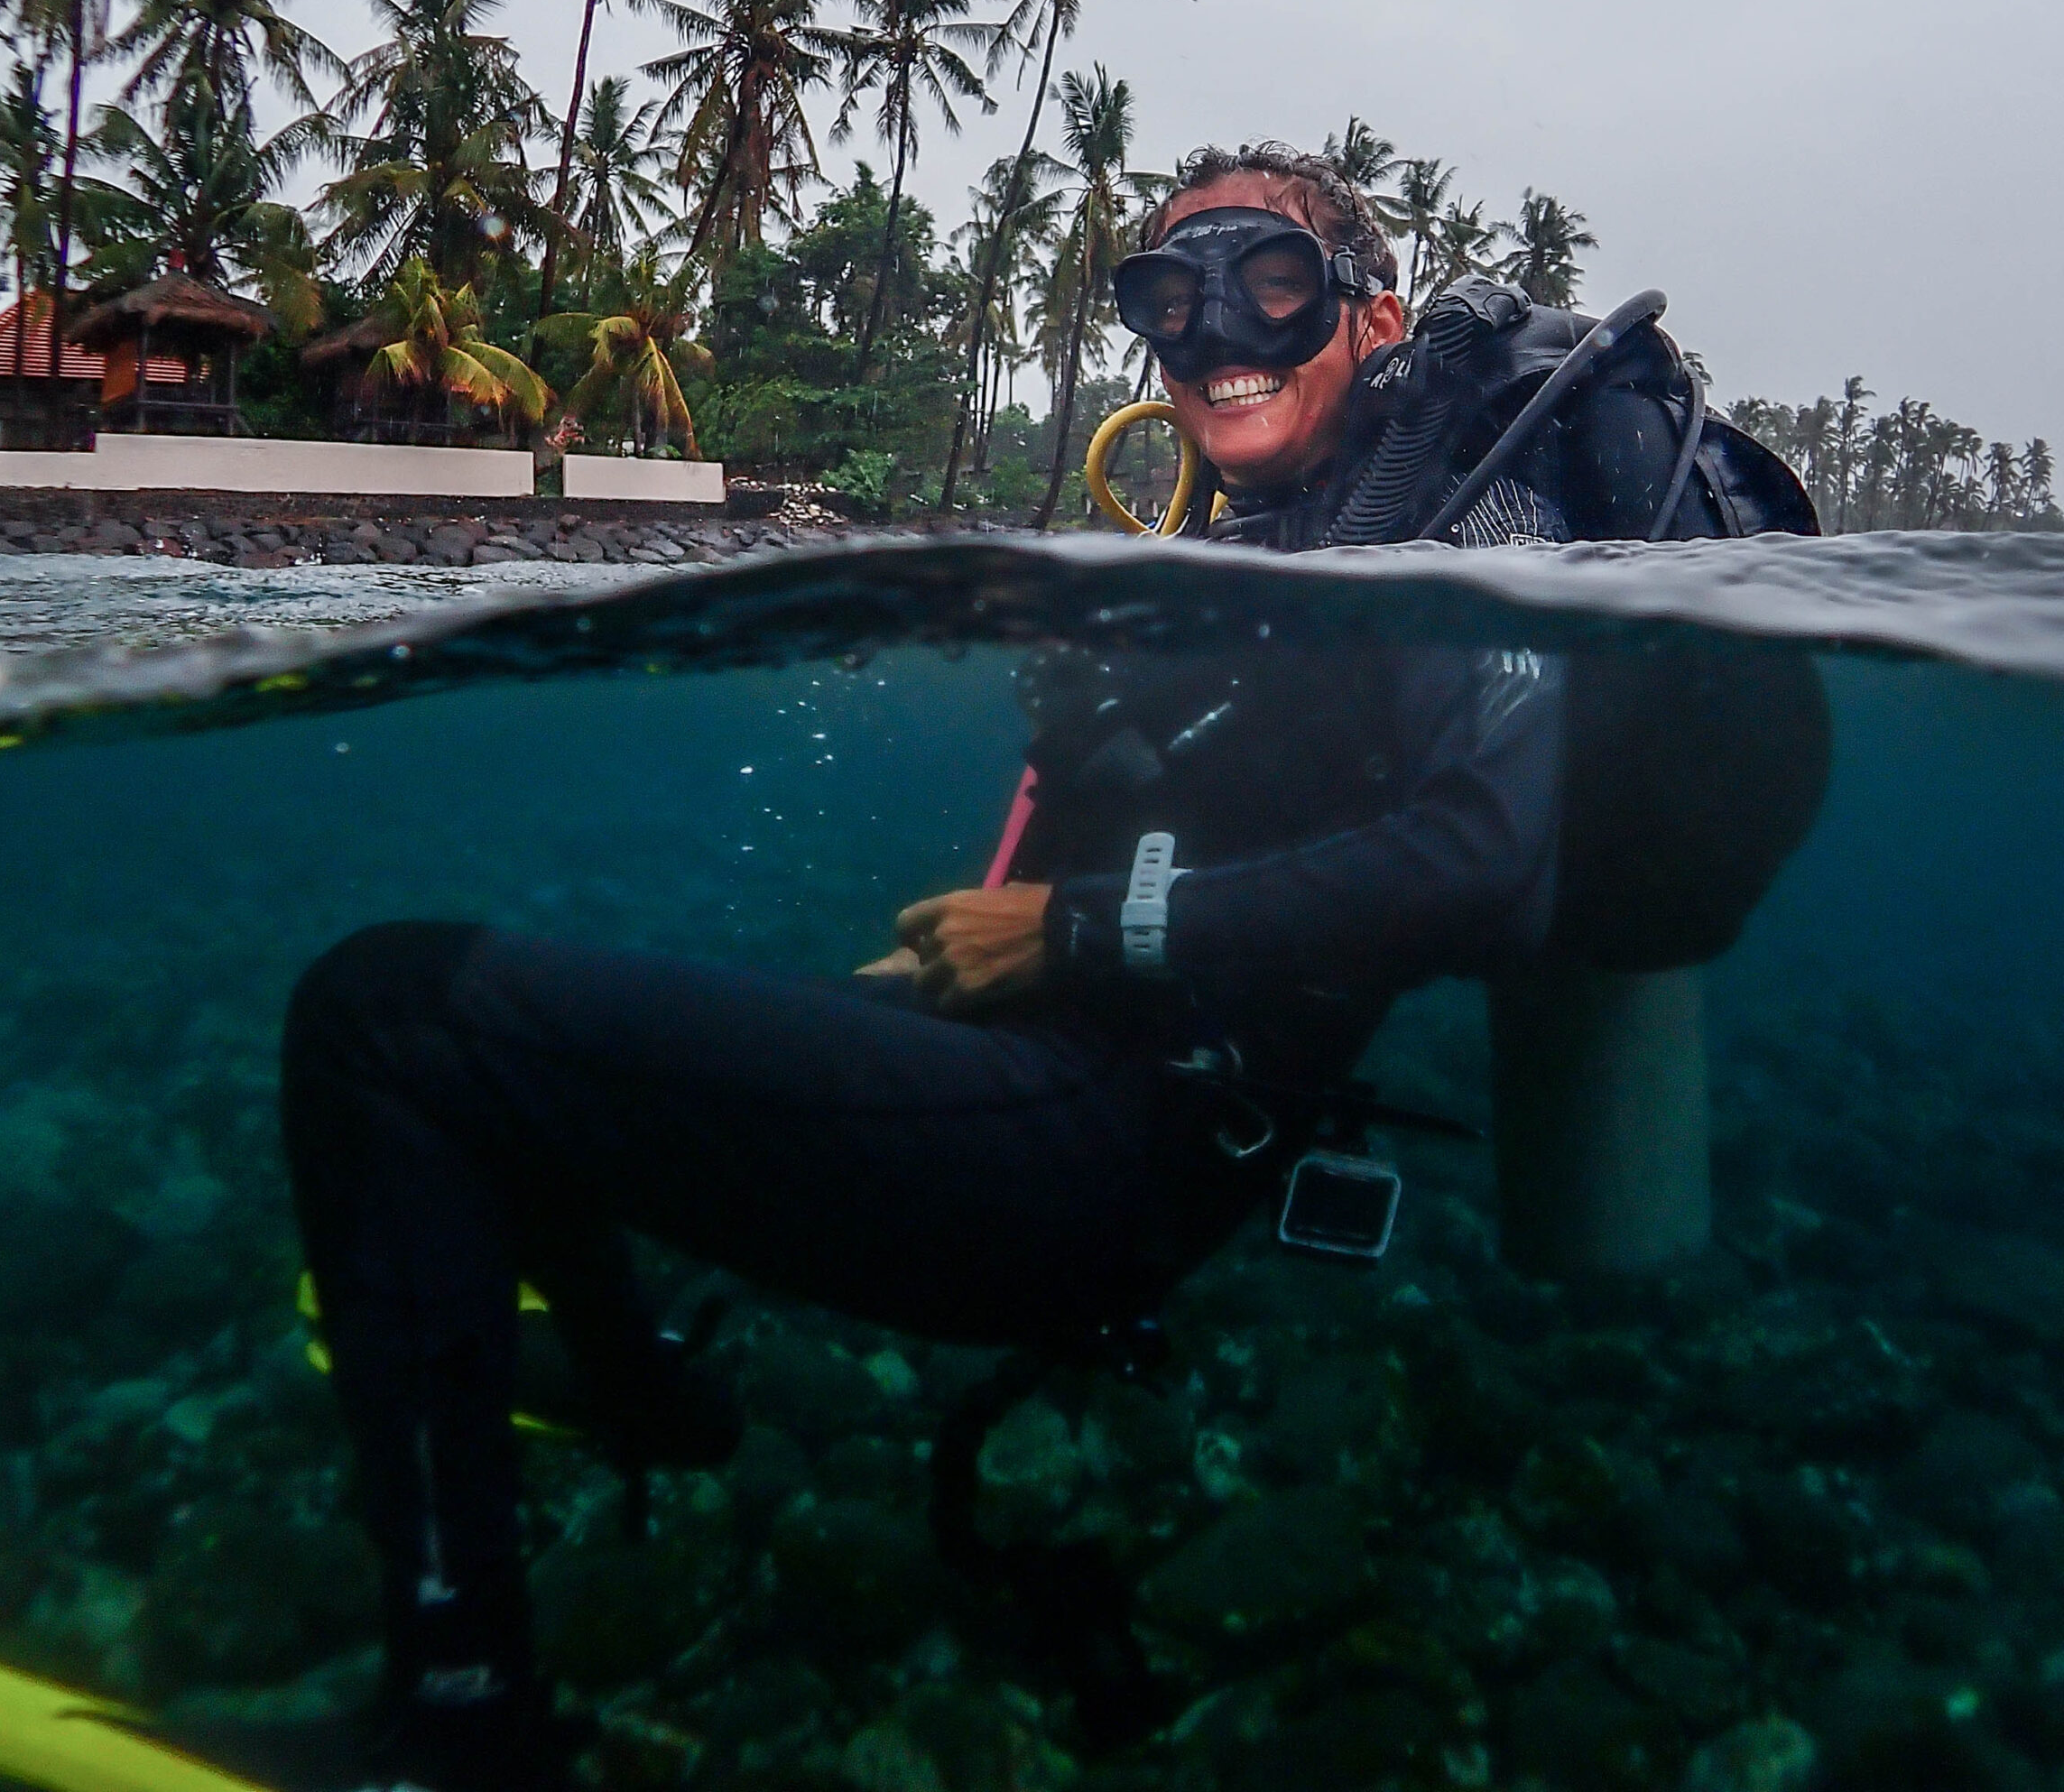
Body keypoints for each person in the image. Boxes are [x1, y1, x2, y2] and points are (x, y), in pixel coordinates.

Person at [280, 141, 1824, 1791]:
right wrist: (997, 946)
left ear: (1375, 319)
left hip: (1095, 1161)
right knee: (530, 1063)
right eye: (1169, 295)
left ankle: (457, 1730)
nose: (1214, 332)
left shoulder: (1470, 515)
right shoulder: (1279, 557)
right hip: (1060, 1102)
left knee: (392, 1020)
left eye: (1270, 280)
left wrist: (1068, 930)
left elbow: (1486, 864)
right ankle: (643, 1390)